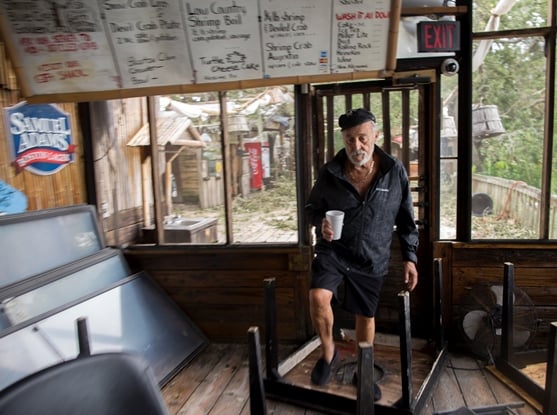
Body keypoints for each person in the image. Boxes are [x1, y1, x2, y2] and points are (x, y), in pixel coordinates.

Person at [305, 108, 419, 400]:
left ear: (375, 136)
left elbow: (406, 219)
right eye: (350, 140)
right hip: (334, 250)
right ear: (343, 139)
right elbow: (311, 209)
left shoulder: (394, 171)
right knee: (318, 296)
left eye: (362, 138)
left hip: (372, 255)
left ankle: (363, 370)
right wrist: (321, 224)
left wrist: (410, 257)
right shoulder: (330, 172)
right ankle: (329, 353)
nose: (357, 146)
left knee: (364, 316)